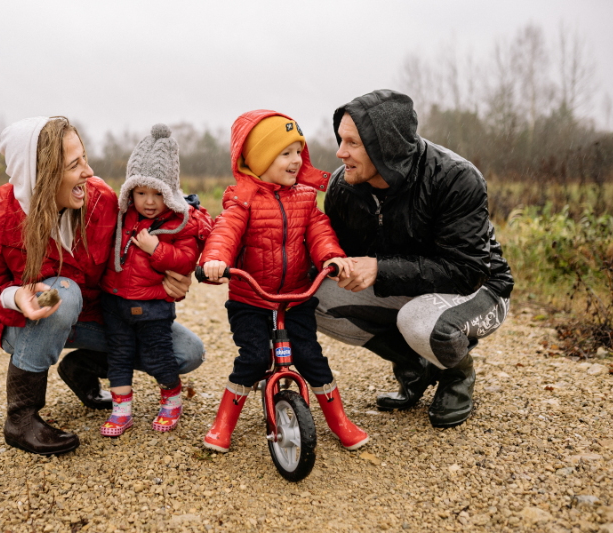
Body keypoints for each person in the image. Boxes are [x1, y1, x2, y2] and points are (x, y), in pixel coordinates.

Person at [0, 117, 207, 455]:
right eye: (74, 164)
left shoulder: (102, 201)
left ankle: (82, 368)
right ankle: (21, 417)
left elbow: (172, 218)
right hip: (27, 323)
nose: (89, 172)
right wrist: (15, 296)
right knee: (63, 291)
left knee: (187, 353)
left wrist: (178, 270)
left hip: (91, 315)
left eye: (85, 159)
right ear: (42, 174)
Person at [314, 90, 515, 428]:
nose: (340, 152)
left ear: (385, 147)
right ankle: (415, 367)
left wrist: (379, 268)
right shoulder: (343, 186)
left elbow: (467, 271)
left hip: (482, 288)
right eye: (340, 140)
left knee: (419, 320)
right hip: (408, 285)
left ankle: (456, 376)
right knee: (310, 295)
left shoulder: (456, 178)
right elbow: (331, 252)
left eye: (352, 143)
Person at [199, 110, 368, 453]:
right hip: (251, 299)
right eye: (285, 153)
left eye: (298, 152)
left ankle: (340, 421)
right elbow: (225, 232)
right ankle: (222, 425)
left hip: (295, 298)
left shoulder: (305, 198)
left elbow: (318, 230)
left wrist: (330, 256)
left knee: (310, 357)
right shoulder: (242, 199)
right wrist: (215, 260)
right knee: (254, 357)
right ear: (260, 159)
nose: (296, 161)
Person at [99, 124, 210, 437]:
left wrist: (156, 249)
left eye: (157, 193)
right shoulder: (123, 216)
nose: (148, 201)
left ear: (170, 192)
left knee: (157, 355)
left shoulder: (179, 223)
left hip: (153, 305)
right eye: (140, 193)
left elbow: (186, 259)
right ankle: (121, 410)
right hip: (115, 301)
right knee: (118, 356)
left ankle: (171, 398)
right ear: (129, 192)